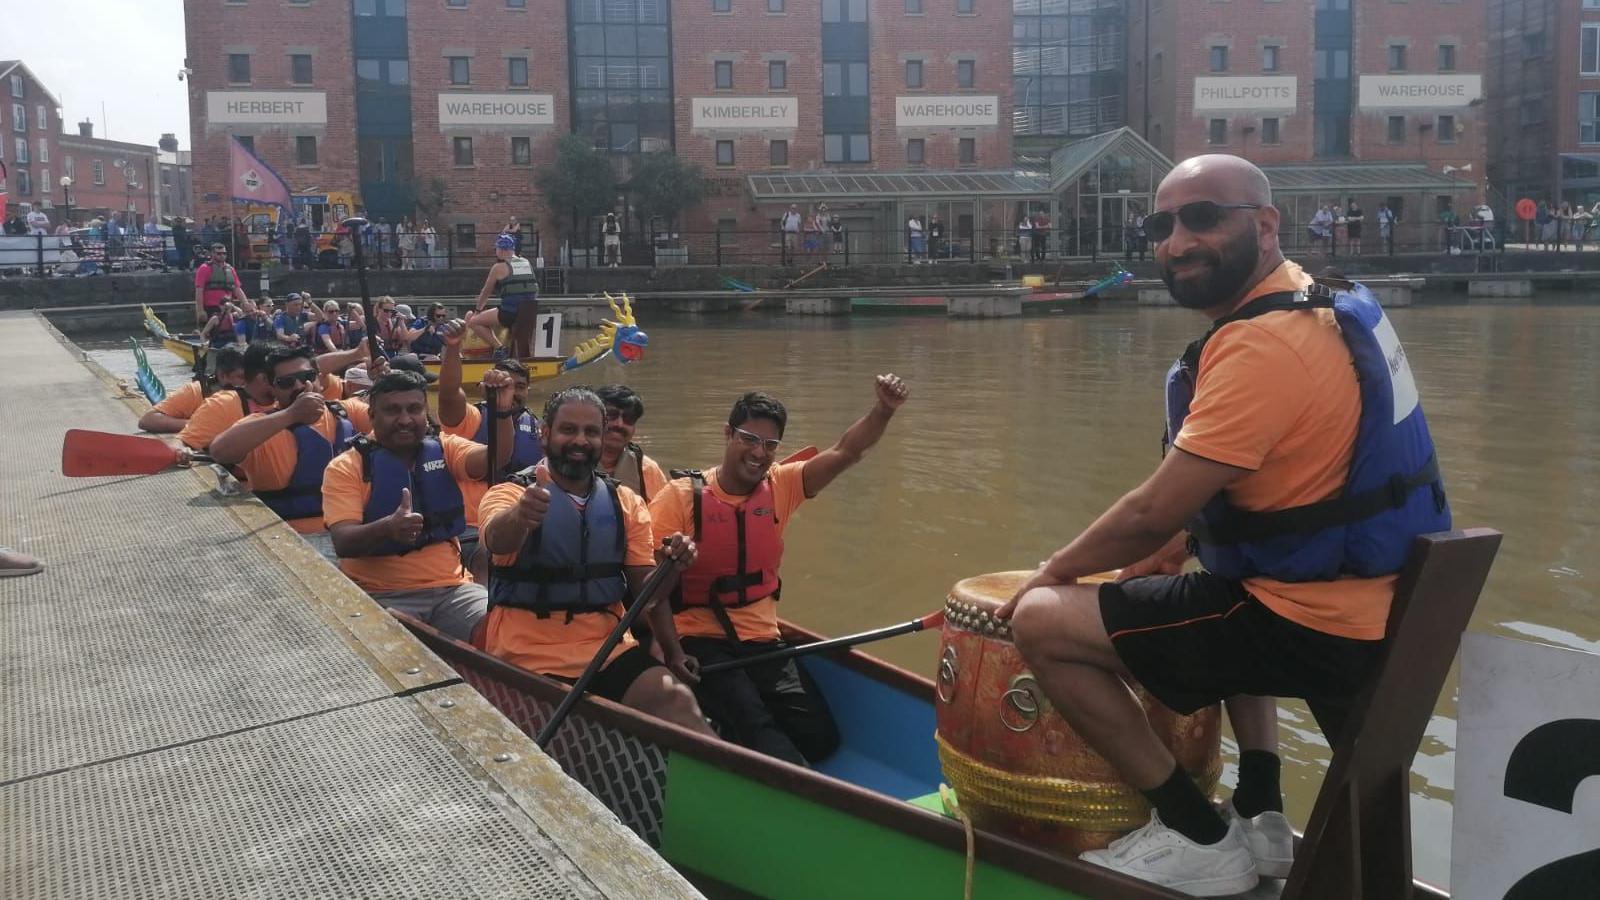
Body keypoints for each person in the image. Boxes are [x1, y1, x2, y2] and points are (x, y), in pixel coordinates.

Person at [998, 154, 1450, 895]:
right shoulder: (1318, 299)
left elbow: (1151, 509)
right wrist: (1181, 547)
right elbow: (1293, 485)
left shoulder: (1259, 344)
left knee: (1046, 621)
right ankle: (1264, 812)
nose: (1177, 242)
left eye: (1203, 218)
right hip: (1373, 603)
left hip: (1316, 631)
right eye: (1161, 225)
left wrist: (1051, 574)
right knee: (1227, 574)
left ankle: (1195, 832)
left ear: (1265, 224)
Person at [649, 376, 911, 766]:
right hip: (700, 640)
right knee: (761, 731)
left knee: (821, 738)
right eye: (749, 439)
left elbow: (846, 452)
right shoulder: (679, 497)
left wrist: (883, 410)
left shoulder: (783, 485)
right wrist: (671, 651)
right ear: (727, 434)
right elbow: (648, 591)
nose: (759, 452)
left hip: (762, 640)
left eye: (770, 445)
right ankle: (807, 798)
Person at [478, 387, 715, 733]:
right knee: (566, 730)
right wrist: (521, 517)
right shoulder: (510, 493)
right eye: (568, 430)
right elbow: (496, 538)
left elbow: (648, 594)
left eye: (591, 432)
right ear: (546, 435)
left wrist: (671, 566)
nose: (580, 441)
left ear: (603, 439)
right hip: (527, 653)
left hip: (608, 650)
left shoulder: (626, 502)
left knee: (675, 699)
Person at [323, 369, 518, 642]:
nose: (404, 419)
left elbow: (495, 458)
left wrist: (502, 411)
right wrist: (387, 528)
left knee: (500, 629)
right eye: (392, 410)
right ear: (371, 416)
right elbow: (342, 541)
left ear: (425, 411)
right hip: (382, 594)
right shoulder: (346, 467)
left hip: (453, 589)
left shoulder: (444, 448)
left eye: (414, 409)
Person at [210, 345, 375, 561]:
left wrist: (385, 384)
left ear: (317, 378)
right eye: (286, 382)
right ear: (272, 388)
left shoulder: (347, 411)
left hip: (352, 532)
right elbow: (219, 451)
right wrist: (292, 414)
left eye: (306, 376)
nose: (298, 385)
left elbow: (396, 425)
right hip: (294, 540)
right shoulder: (261, 426)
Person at [138, 344, 248, 434]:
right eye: (241, 377)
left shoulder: (255, 393)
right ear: (222, 375)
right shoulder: (196, 391)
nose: (246, 383)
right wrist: (200, 424)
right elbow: (148, 420)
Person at [467, 233, 540, 359]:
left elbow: (486, 292)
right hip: (529, 312)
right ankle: (511, 351)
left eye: (496, 249)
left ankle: (500, 348)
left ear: (501, 250)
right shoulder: (526, 262)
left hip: (510, 313)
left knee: (474, 322)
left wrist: (478, 310)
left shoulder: (498, 267)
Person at [594, 384, 668, 501]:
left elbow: (662, 515)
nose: (619, 424)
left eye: (628, 418)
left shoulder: (647, 469)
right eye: (611, 415)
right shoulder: (572, 461)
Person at [194, 243, 250, 327]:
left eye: (224, 253)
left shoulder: (230, 269)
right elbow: (199, 290)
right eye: (219, 253)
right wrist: (200, 310)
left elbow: (237, 288)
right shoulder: (204, 268)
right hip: (210, 307)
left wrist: (245, 303)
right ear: (212, 254)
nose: (222, 256)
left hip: (227, 307)